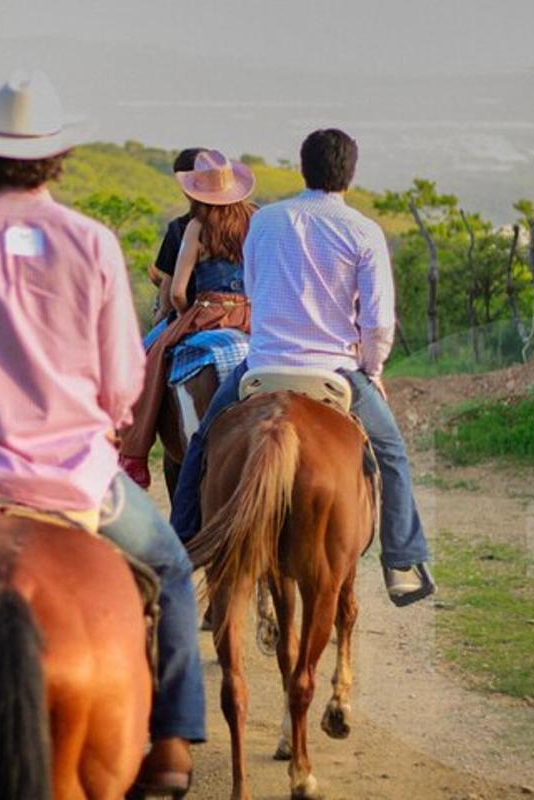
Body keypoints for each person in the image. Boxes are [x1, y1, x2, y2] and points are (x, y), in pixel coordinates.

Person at [0, 70, 205, 794]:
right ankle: (174, 743)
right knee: (173, 571)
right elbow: (124, 382)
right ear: (57, 155)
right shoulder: (91, 242)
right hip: (81, 480)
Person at [169, 128, 436, 607]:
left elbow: (253, 286)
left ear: (302, 168)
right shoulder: (364, 231)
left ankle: (181, 543)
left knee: (203, 444)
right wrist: (372, 369)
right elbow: (377, 322)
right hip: (335, 371)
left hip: (263, 364)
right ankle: (401, 559)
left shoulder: (267, 221)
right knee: (392, 453)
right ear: (349, 176)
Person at [119, 150, 254, 489]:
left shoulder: (194, 226)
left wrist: (180, 316)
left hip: (207, 311)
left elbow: (177, 291)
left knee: (146, 359)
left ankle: (133, 453)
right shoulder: (256, 218)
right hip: (252, 315)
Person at [149, 147, 208, 324]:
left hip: (196, 316)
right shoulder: (252, 218)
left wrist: (181, 317)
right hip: (249, 316)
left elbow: (173, 296)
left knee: (143, 350)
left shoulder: (182, 227)